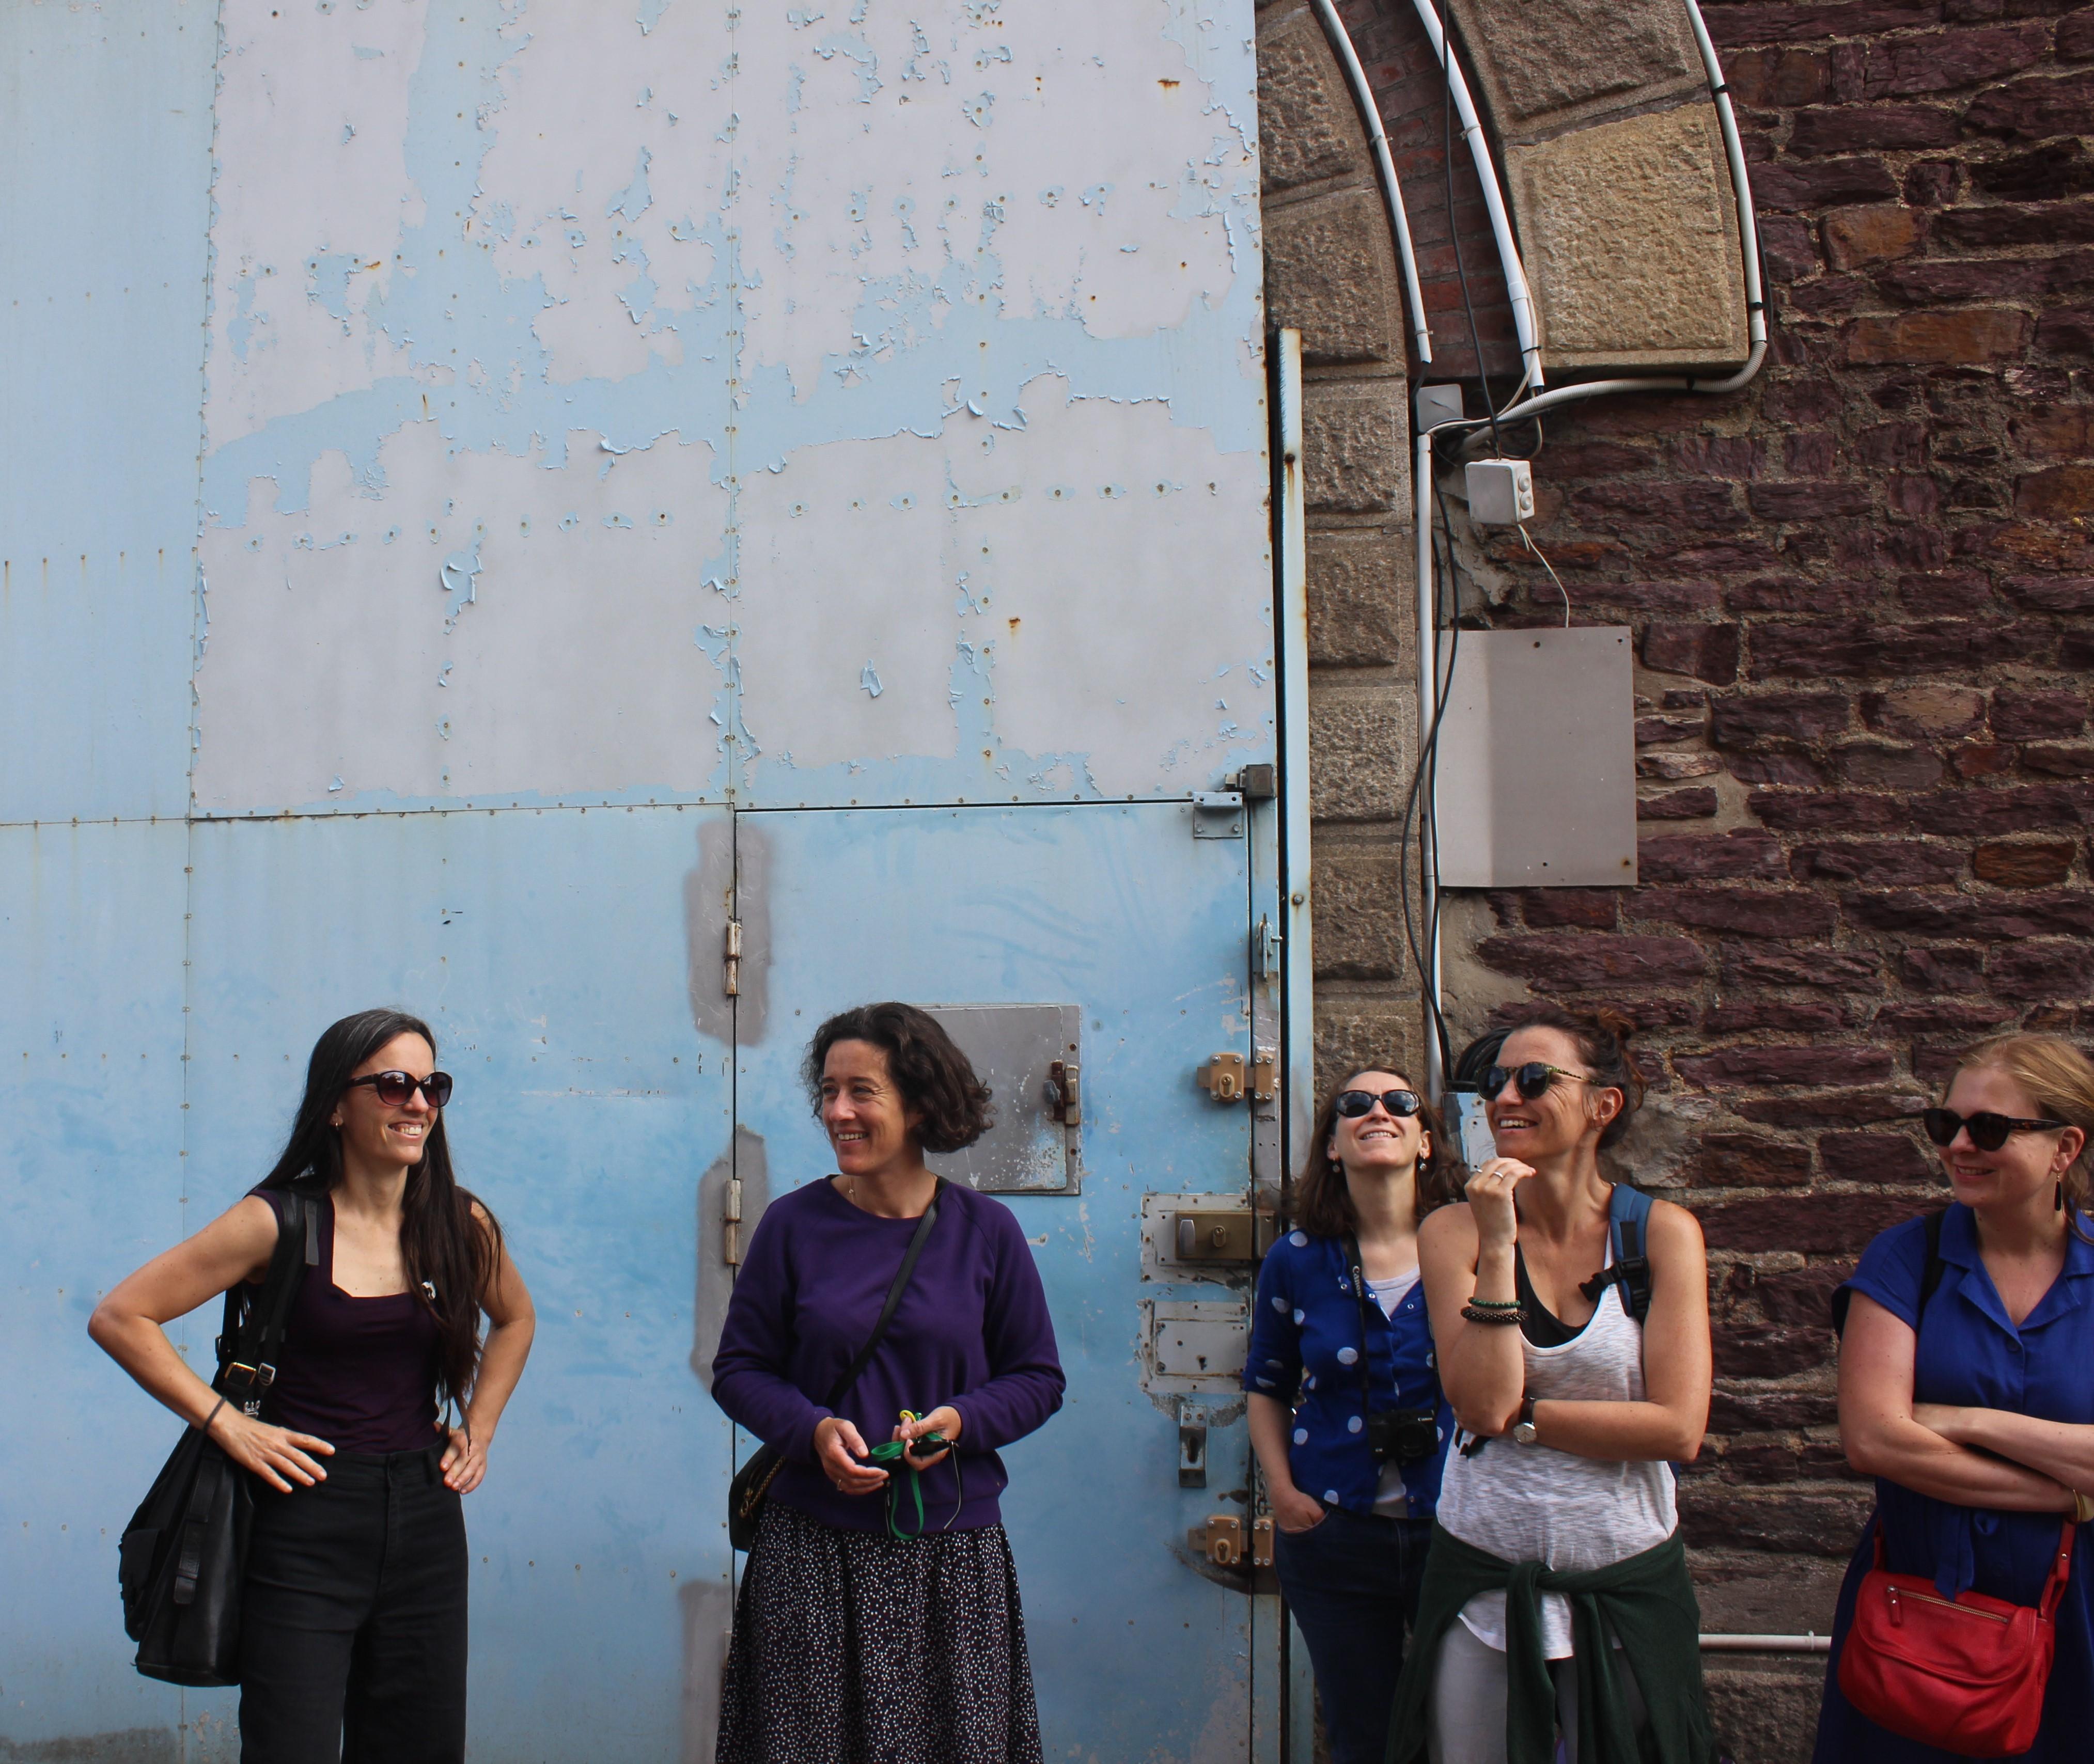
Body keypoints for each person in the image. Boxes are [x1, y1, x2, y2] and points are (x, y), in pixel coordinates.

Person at [89, 1007, 535, 1763]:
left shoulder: (461, 1224)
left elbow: (515, 1320)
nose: (419, 1104)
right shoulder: (277, 1222)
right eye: (394, 1085)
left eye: (433, 1086)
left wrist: (480, 1428)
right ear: (336, 1103)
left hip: (426, 1520)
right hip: (302, 1522)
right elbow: (121, 1315)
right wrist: (225, 1423)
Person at [711, 1002, 1066, 1764]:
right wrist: (810, 1432)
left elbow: (1036, 1377)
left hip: (951, 1558)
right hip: (809, 1552)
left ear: (921, 1104)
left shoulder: (986, 1232)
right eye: (829, 1092)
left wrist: (961, 1421)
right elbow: (739, 1370)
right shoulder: (791, 1226)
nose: (838, 1111)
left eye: (861, 1092)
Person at [1388, 1005, 1714, 1764]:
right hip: (1484, 1577)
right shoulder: (1453, 1233)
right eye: (1494, 1081)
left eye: (1533, 1079)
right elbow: (1477, 1401)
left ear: (1603, 1106)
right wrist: (1498, 1243)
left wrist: (1528, 1417)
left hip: (1625, 1575)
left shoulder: (1659, 1234)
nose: (1505, 1098)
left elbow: (1676, 1429)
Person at [1814, 1032, 2094, 1762]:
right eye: (1945, 1125)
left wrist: (1968, 1420)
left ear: (2064, 1148)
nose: (1959, 1145)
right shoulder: (1907, 1257)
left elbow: (1905, 1435)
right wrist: (2069, 1493)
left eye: (1990, 1128)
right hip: (1922, 1609)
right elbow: (1873, 1441)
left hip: (2080, 1615)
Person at [1243, 1067, 1463, 1764]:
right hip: (1335, 1533)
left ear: (1425, 1140)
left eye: (1400, 1103)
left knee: (1467, 1729)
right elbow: (1266, 1383)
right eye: (1354, 1104)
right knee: (1361, 1737)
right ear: (1332, 1145)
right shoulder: (1297, 1259)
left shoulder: (1470, 1248)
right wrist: (1282, 1495)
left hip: (1459, 1530)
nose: (1379, 1111)